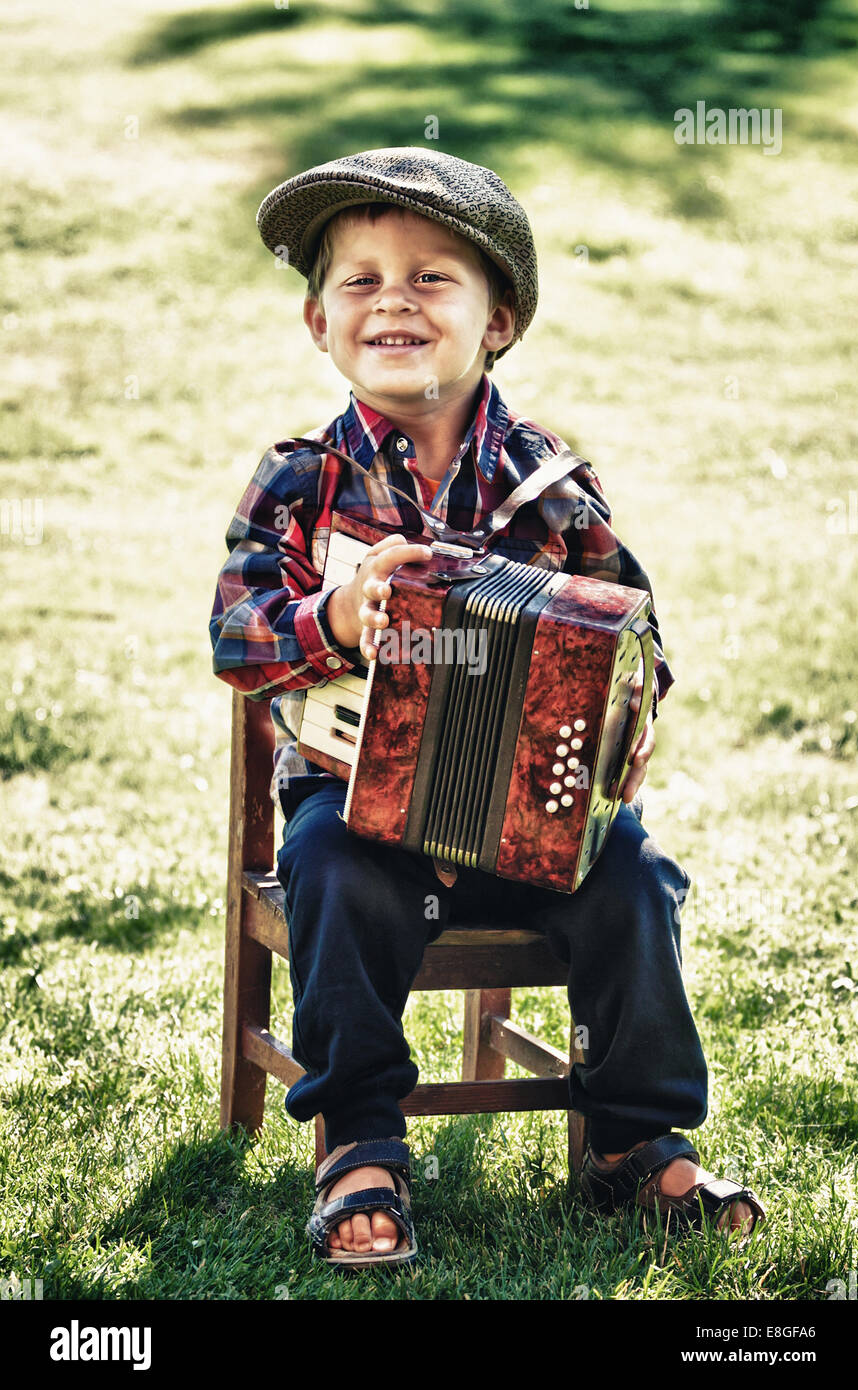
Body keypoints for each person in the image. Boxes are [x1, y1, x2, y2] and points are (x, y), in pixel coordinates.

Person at [209, 146, 765, 1267]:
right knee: (330, 875)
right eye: (358, 281)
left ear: (496, 319)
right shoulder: (297, 479)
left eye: (429, 277)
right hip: (356, 804)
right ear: (318, 324)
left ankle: (630, 1134)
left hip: (531, 820)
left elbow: (633, 634)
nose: (392, 301)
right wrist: (338, 621)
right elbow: (236, 634)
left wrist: (622, 730)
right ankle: (359, 1139)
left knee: (635, 883)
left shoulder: (547, 483)